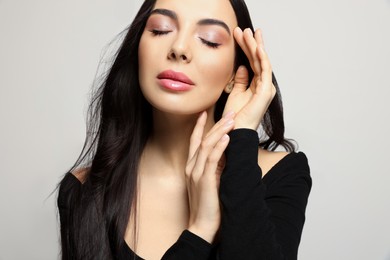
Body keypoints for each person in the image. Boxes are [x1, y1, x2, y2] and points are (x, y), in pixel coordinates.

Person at [57, 0, 312, 259]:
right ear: (137, 51)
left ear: (236, 74)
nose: (179, 48)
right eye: (160, 30)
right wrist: (200, 231)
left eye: (209, 40)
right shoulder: (84, 190)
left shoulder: (281, 175)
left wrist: (242, 134)